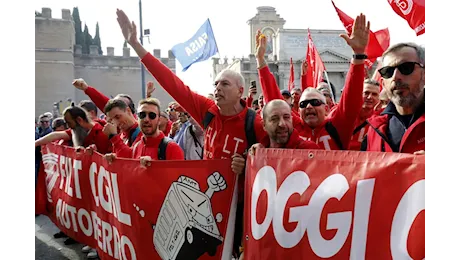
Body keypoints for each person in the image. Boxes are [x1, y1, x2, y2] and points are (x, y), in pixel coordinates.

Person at [115, 8, 267, 257]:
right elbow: (172, 83)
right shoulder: (208, 111)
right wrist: (136, 45)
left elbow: (274, 164)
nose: (217, 88)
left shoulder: (255, 123)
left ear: (240, 91)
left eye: (224, 84)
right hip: (211, 204)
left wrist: (250, 163)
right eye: (215, 84)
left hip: (243, 208)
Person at [256, 14, 369, 150]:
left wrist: (358, 55)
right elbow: (274, 100)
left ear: (327, 108)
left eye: (315, 102)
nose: (309, 106)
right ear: (298, 111)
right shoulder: (293, 127)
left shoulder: (337, 127)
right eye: (303, 104)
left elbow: (351, 100)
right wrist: (261, 61)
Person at [362, 42, 426, 154]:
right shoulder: (374, 129)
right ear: (383, 83)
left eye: (406, 68)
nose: (396, 77)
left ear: (425, 74)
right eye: (388, 72)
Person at [103, 98, 184, 162]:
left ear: (159, 120)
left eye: (152, 115)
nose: (146, 119)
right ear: (138, 118)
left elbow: (179, 180)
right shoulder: (137, 147)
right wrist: (114, 159)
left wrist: (155, 168)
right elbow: (128, 168)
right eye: (142, 115)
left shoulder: (171, 148)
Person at [34, 106, 112, 154]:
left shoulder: (101, 134)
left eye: (69, 123)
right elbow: (56, 135)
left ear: (79, 120)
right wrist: (35, 143)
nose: (68, 126)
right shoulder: (78, 130)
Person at [255, 99, 320, 149]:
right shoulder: (257, 153)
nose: (282, 124)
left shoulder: (309, 150)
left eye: (286, 117)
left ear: (291, 120)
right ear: (264, 125)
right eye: (274, 119)